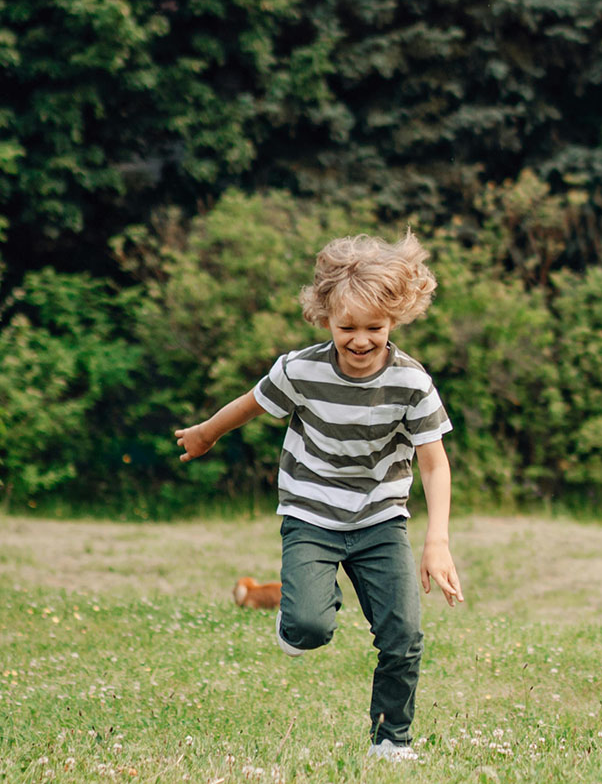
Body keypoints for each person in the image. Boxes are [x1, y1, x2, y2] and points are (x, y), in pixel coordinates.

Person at [174, 231, 465, 763]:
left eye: (373, 328)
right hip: (310, 514)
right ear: (325, 317)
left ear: (394, 321)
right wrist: (206, 433)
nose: (359, 340)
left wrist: (437, 541)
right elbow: (249, 405)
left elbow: (433, 460)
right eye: (346, 327)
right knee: (309, 628)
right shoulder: (300, 370)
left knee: (403, 634)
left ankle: (390, 740)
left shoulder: (412, 384)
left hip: (380, 519)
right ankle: (301, 614)